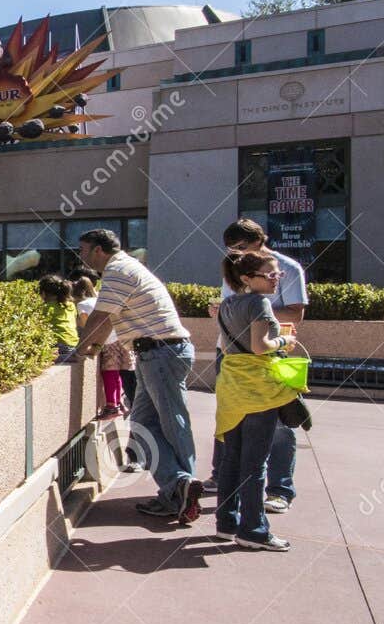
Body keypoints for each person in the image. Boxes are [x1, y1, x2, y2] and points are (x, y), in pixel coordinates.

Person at [74, 229, 203, 523]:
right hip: (153, 354)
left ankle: (181, 491)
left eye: (83, 249)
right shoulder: (126, 267)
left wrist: (79, 351)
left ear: (98, 250)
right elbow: (107, 322)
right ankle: (178, 487)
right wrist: (90, 348)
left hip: (160, 353)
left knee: (173, 425)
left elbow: (100, 317)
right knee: (144, 424)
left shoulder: (118, 270)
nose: (80, 256)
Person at [207, 218, 306, 512]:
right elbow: (235, 307)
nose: (234, 252)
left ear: (258, 241)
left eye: (240, 246)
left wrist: (252, 308)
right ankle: (224, 477)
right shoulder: (234, 270)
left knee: (278, 425)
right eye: (230, 248)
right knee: (229, 416)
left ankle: (279, 489)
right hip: (231, 354)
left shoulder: (286, 269)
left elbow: (296, 313)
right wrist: (227, 310)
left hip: (268, 357)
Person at [214, 248, 299, 551]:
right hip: (258, 391)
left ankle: (226, 523)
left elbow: (225, 347)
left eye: (279, 274)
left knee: (231, 460)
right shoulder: (259, 302)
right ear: (248, 277)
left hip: (231, 388)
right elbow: (261, 347)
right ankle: (253, 530)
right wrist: (285, 341)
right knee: (255, 464)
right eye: (271, 275)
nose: (277, 280)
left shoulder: (227, 303)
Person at [74, 275, 130, 420]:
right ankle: (119, 402)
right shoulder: (99, 298)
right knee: (117, 373)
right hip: (120, 338)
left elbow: (88, 327)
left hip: (107, 341)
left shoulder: (82, 305)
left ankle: (111, 406)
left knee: (109, 372)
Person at [38, 274, 79, 363]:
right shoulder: (70, 305)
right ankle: (68, 356)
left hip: (59, 346)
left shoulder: (45, 308)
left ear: (43, 293)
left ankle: (61, 358)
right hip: (74, 344)